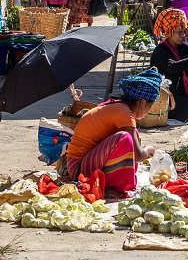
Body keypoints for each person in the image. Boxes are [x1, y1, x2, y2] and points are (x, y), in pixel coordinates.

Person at [66, 68, 160, 196]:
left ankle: (116, 183)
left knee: (133, 136)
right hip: (79, 169)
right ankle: (113, 187)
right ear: (142, 102)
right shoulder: (123, 113)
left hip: (85, 162)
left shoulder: (119, 107)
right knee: (126, 138)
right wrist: (149, 150)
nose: (149, 110)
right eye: (150, 105)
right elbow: (137, 156)